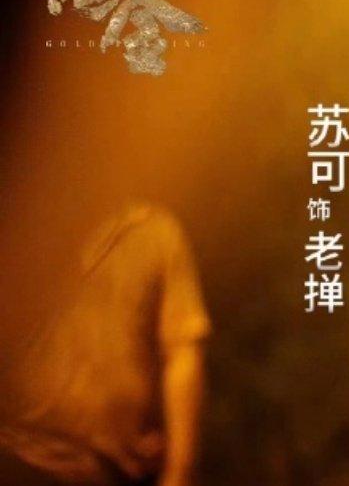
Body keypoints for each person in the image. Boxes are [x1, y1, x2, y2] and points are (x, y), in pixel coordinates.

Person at [0, 204, 210, 486]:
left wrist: (179, 471)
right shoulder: (29, 213)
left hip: (110, 464)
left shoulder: (153, 232)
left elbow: (182, 351)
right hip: (19, 450)